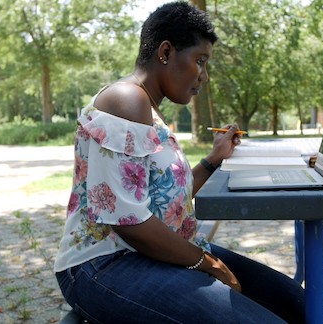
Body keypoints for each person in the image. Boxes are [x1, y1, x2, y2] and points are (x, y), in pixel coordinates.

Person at [54, 2, 305, 323]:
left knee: (297, 304)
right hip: (103, 265)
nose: (204, 76)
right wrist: (208, 263)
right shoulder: (126, 100)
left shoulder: (150, 113)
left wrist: (214, 159)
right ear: (166, 52)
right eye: (199, 61)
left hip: (150, 253)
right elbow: (127, 221)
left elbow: (164, 200)